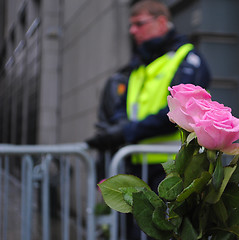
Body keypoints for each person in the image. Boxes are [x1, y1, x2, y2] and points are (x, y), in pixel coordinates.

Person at [86, 0, 211, 238]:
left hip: (171, 168)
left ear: (161, 22)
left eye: (139, 24)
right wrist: (121, 127)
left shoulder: (187, 58)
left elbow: (176, 112)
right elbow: (123, 109)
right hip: (135, 164)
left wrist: (126, 132)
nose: (132, 30)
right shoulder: (140, 65)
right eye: (131, 25)